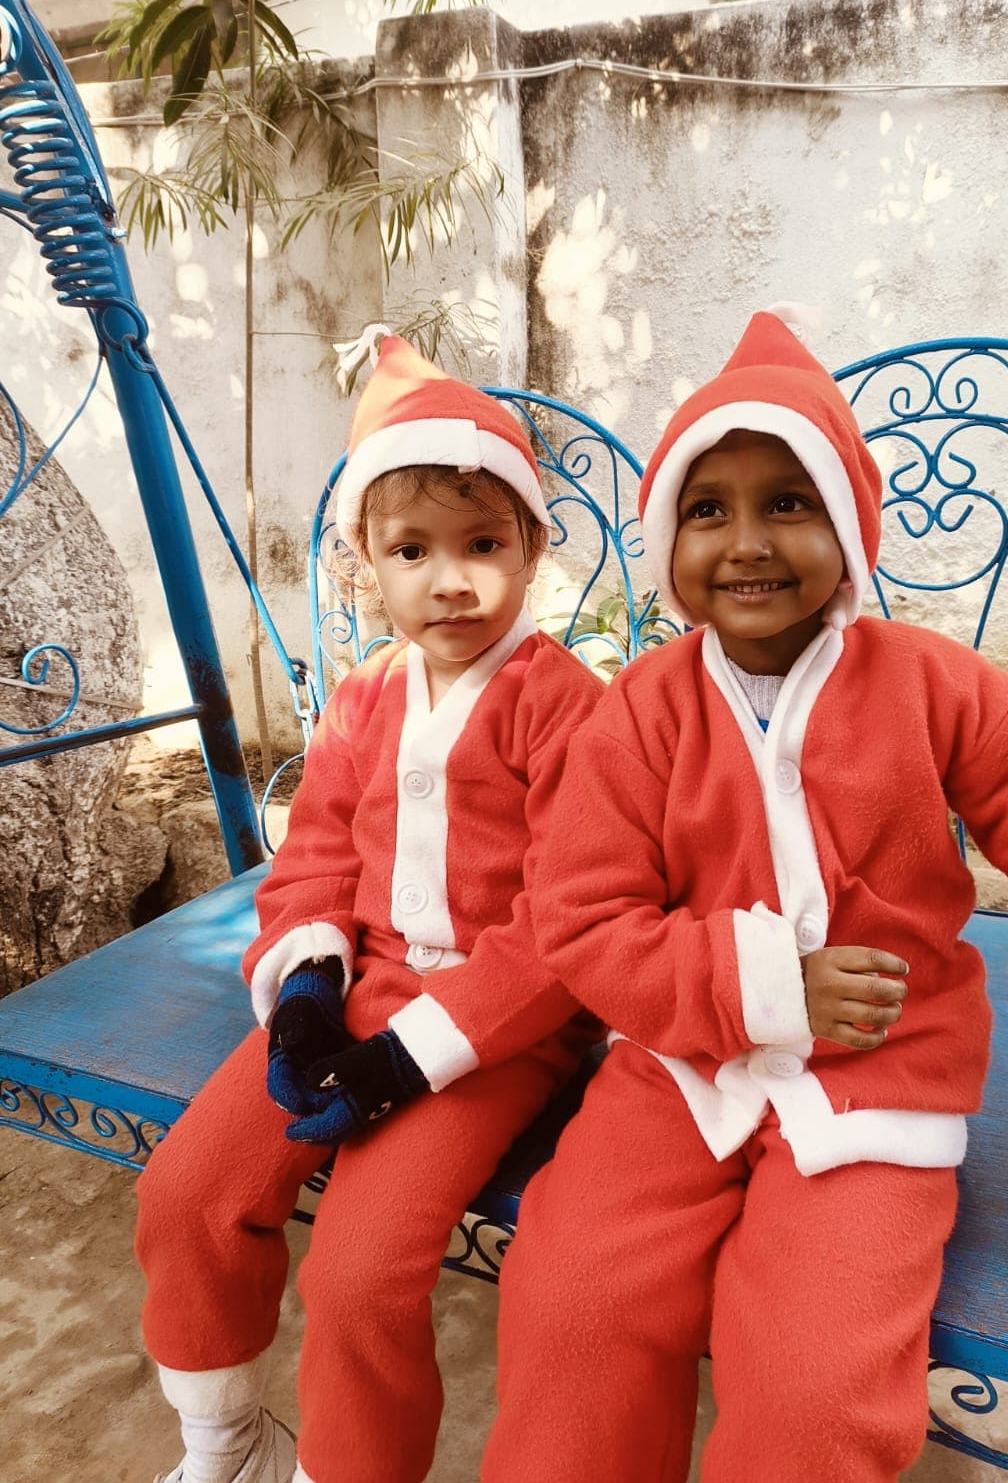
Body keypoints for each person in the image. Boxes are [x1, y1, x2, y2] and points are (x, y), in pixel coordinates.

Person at [479, 304, 1008, 1483]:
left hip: (878, 1084)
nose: (748, 541)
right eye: (708, 510)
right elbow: (584, 921)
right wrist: (761, 983)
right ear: (668, 541)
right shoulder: (639, 714)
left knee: (818, 1399)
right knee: (574, 1310)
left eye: (790, 502)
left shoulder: (934, 688)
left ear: (850, 529)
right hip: (679, 1071)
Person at [135, 337, 601, 1483]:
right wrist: (303, 987)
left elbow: (573, 918)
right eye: (413, 550)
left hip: (493, 1031)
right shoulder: (364, 697)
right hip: (356, 993)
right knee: (188, 1190)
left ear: (534, 549)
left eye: (484, 544)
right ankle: (227, 1444)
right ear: (365, 568)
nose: (451, 580)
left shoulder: (569, 707)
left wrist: (411, 1057)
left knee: (357, 1272)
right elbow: (319, 854)